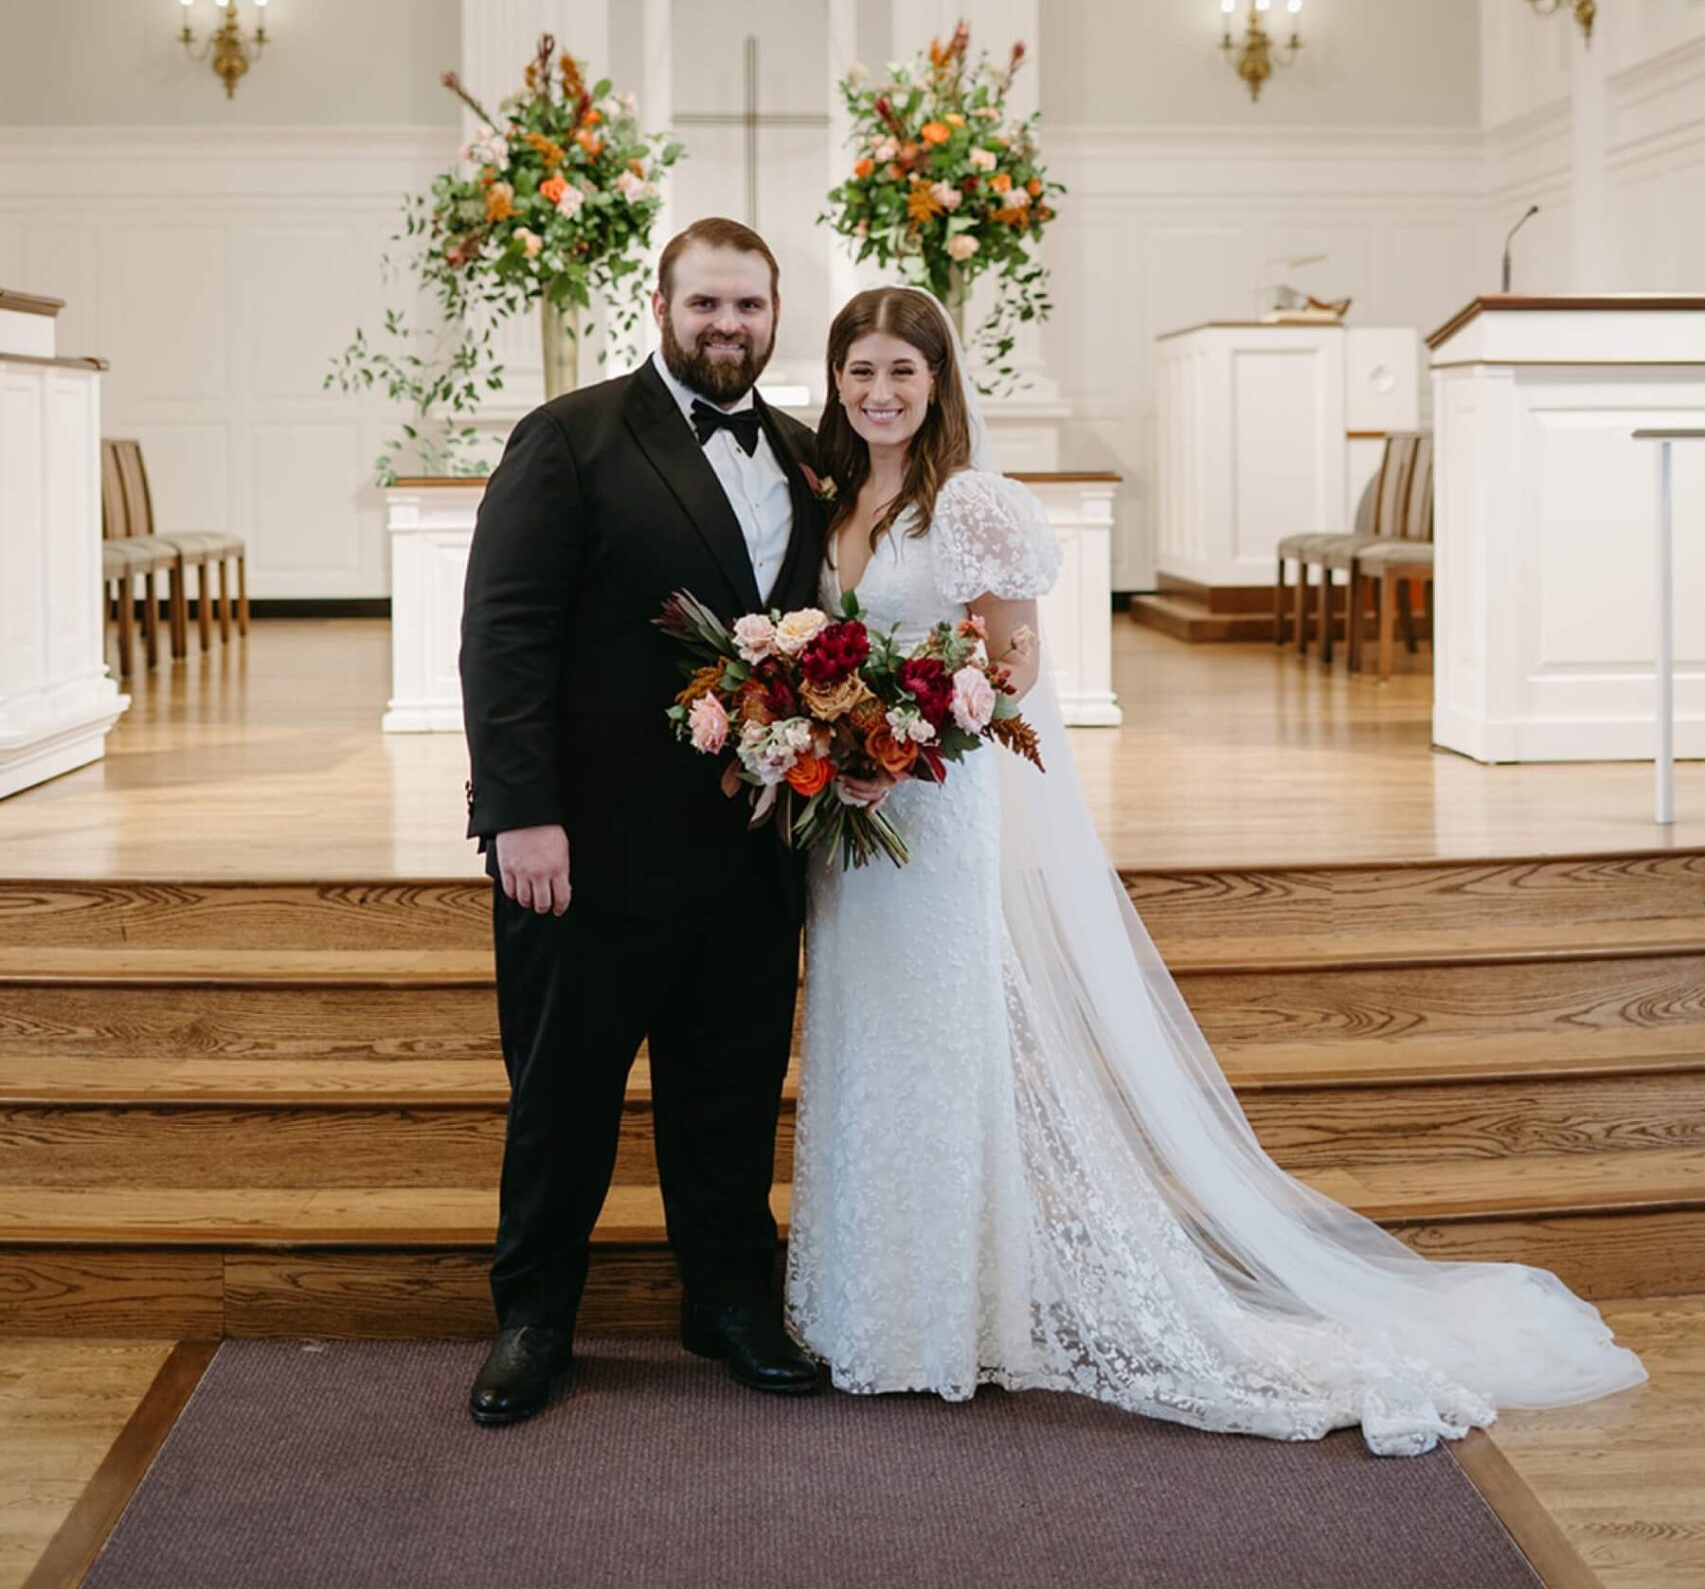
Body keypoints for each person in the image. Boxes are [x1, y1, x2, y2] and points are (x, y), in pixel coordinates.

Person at [784, 286, 1646, 1454]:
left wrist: (907, 736)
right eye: (858, 371)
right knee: (862, 1042)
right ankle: (870, 1308)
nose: (878, 393)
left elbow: (1015, 665)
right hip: (853, 830)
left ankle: (938, 1320)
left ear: (939, 381)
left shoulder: (969, 502)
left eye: (901, 371)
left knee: (939, 1049)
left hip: (934, 816)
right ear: (834, 380)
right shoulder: (837, 495)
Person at [458, 218, 826, 1425]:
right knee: (562, 1094)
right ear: (660, 305)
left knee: (728, 1090)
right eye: (707, 304)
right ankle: (534, 1318)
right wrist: (520, 814)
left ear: (776, 315)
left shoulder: (803, 453)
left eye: (750, 308)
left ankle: (726, 1299)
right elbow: (503, 637)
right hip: (589, 850)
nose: (728, 326)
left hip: (751, 849)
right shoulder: (569, 438)